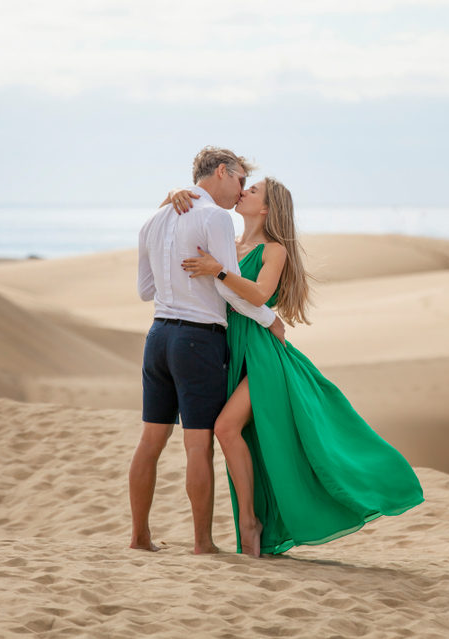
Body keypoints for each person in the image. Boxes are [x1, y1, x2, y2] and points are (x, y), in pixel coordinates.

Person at [171, 175, 425, 558]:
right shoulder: (229, 242)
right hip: (229, 349)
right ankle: (258, 523)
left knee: (226, 428)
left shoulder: (275, 250)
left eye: (252, 191)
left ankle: (249, 521)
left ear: (267, 208)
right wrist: (174, 196)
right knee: (251, 440)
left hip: (261, 355)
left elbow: (259, 293)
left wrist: (218, 271)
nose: (243, 192)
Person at [130, 146, 286, 555]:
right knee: (198, 445)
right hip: (197, 340)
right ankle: (203, 544)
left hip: (157, 338)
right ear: (222, 172)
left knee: (150, 441)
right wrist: (271, 320)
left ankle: (139, 538)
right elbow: (228, 289)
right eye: (239, 181)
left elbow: (145, 291)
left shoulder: (153, 219)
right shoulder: (214, 217)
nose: (240, 191)